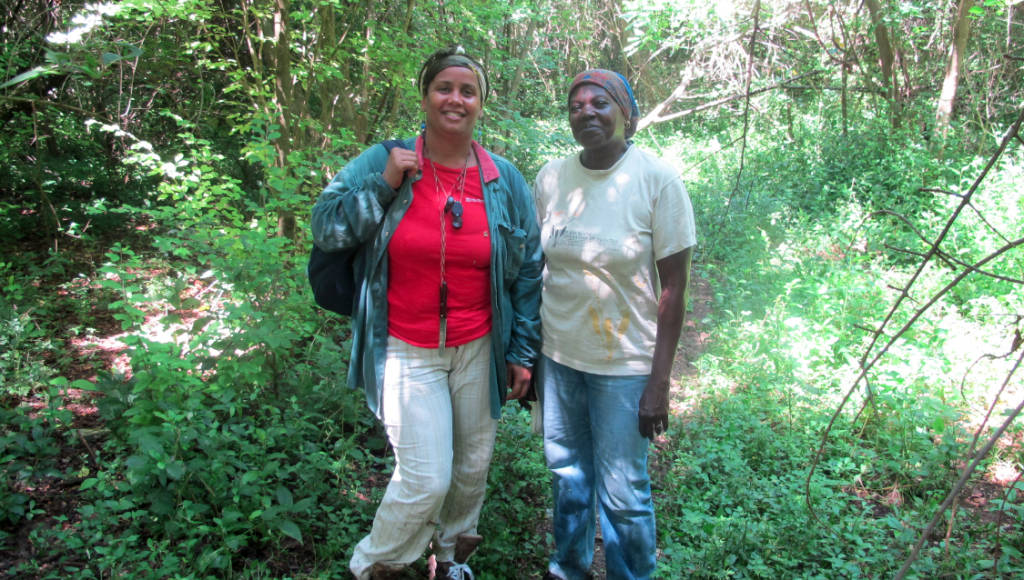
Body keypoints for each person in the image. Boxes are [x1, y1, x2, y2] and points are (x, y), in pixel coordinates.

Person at [311, 46, 542, 580]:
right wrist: (384, 183)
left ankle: (453, 562)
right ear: (425, 96)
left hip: (479, 346)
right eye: (445, 88)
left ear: (481, 104)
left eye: (468, 91)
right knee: (425, 477)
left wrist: (522, 351)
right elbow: (326, 228)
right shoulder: (384, 160)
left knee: (470, 472)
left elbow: (528, 269)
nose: (455, 99)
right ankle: (373, 567)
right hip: (404, 347)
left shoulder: (503, 179)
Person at [532, 70, 696, 580]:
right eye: (576, 104)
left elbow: (674, 291)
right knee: (568, 478)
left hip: (625, 364)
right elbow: (537, 269)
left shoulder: (657, 181)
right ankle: (569, 569)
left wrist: (659, 382)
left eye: (600, 103)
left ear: (627, 112)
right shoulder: (551, 178)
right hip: (559, 357)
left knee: (623, 492)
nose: (587, 111)